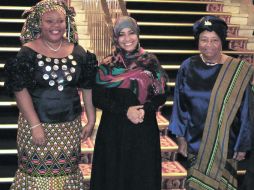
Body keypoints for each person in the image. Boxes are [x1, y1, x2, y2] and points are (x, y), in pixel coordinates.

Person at [4, 0, 97, 189]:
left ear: (67, 22)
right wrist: (35, 125)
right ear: (39, 23)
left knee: (66, 174)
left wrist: (91, 119)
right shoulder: (28, 52)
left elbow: (87, 86)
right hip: (37, 127)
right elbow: (19, 89)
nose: (56, 26)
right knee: (37, 175)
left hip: (69, 128)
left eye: (60, 21)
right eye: (49, 21)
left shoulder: (78, 52)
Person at [168, 15, 254, 190]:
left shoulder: (238, 70)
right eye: (204, 40)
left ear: (222, 41)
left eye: (214, 40)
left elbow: (247, 111)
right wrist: (181, 137)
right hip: (195, 142)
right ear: (197, 41)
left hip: (226, 145)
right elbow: (180, 105)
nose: (208, 45)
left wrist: (243, 144)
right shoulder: (188, 66)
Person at [90, 16, 169, 190]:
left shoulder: (151, 62)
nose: (127, 39)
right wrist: (125, 111)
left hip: (143, 129)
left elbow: (162, 93)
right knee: (113, 176)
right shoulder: (107, 65)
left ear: (138, 34)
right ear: (115, 38)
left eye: (131, 33)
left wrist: (146, 109)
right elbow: (98, 98)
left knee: (141, 176)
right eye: (121, 34)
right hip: (114, 131)